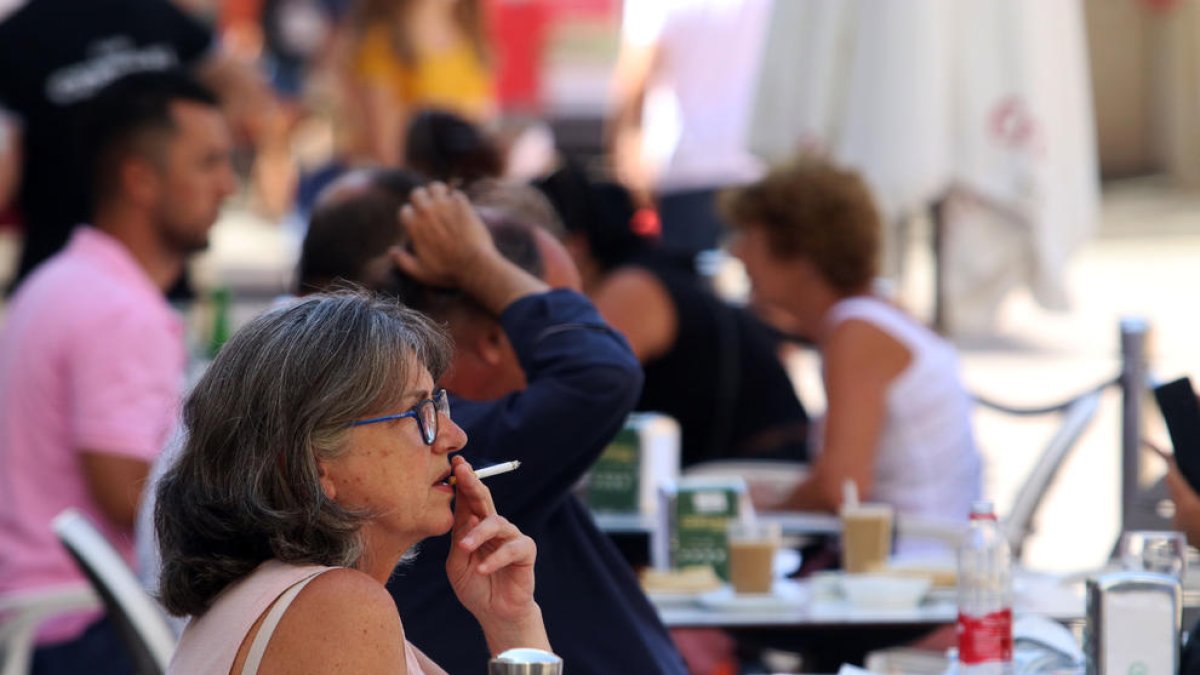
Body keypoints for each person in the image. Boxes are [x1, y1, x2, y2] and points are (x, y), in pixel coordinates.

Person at [298, 176, 689, 675]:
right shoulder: (420, 448)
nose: (451, 436)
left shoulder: (451, 445)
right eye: (543, 310)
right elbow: (602, 372)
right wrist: (478, 264)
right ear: (496, 339)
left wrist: (515, 626)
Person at [155, 291, 552, 673]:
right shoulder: (335, 609)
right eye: (418, 413)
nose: (454, 436)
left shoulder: (300, 602)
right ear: (315, 463)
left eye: (437, 405)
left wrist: (512, 622)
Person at [0, 70, 235, 674]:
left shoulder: (61, 280)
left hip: (41, 621)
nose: (228, 185)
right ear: (140, 180)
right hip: (80, 630)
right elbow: (132, 495)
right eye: (207, 163)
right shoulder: (117, 310)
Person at [722, 158, 982, 546]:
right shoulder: (875, 316)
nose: (737, 253)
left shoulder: (855, 332)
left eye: (750, 238)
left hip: (906, 571)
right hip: (914, 558)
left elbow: (840, 489)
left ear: (803, 255)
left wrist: (757, 515)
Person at [536, 162, 810, 471]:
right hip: (740, 465)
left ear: (575, 247)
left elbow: (574, 397)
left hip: (759, 467)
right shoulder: (644, 276)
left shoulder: (632, 289)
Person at [0, 0, 270, 294]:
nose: (226, 186)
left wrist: (205, 146)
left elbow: (244, 89)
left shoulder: (155, 13)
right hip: (64, 265)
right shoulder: (18, 36)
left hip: (154, 273)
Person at [607, 0, 771, 263]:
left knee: (686, 293)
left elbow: (634, 82)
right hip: (756, 171)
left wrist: (632, 177)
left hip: (685, 173)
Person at [342, 0, 493, 166]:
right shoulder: (382, 44)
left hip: (460, 177)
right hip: (414, 180)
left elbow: (481, 121)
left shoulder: (471, 36)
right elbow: (386, 147)